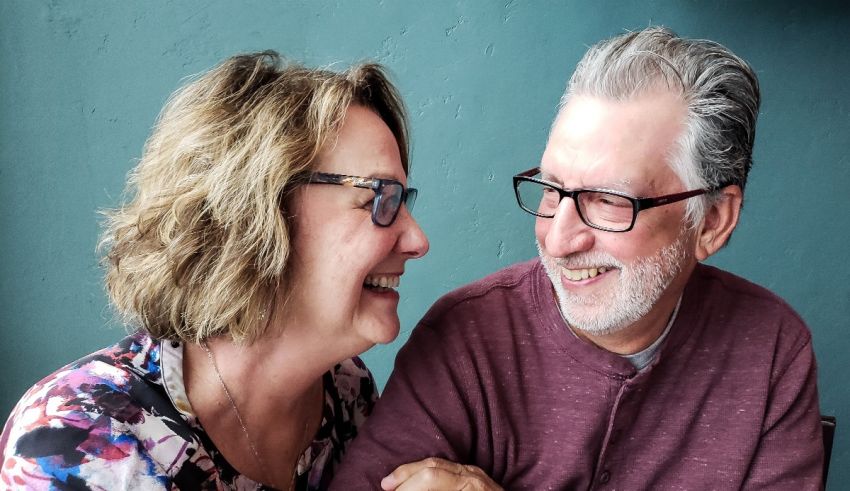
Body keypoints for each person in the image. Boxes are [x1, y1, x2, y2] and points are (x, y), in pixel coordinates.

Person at [331, 27, 824, 490]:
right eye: (551, 190)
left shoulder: (773, 350)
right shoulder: (465, 338)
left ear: (713, 220)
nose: (559, 239)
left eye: (610, 200)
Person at [0, 51, 429, 490]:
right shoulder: (79, 437)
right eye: (380, 199)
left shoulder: (345, 393)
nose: (418, 241)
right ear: (253, 214)